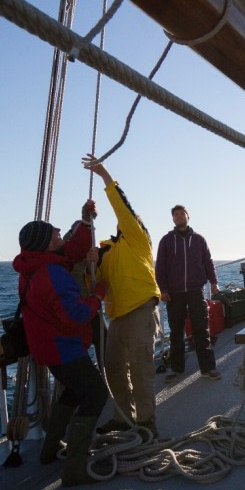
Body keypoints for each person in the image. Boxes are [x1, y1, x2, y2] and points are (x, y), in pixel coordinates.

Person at [13, 207, 109, 486]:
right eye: (54, 233)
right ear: (45, 243)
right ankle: (75, 468)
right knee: (95, 393)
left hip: (47, 348)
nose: (59, 233)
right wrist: (98, 295)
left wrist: (86, 220)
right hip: (62, 348)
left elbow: (75, 247)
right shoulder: (51, 275)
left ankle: (49, 448)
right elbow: (77, 315)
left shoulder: (35, 267)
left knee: (73, 391)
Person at [84, 155, 162, 439]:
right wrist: (90, 261)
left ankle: (147, 423)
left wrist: (104, 174)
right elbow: (94, 281)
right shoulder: (105, 250)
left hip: (141, 310)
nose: (128, 222)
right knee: (114, 368)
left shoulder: (139, 241)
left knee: (141, 370)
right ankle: (123, 417)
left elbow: (122, 209)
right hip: (116, 315)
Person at [158, 205, 221, 380]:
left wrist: (214, 282)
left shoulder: (199, 239)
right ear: (173, 219)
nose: (179, 216)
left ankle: (208, 368)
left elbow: (208, 261)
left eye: (182, 214)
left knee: (201, 329)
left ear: (188, 217)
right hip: (174, 293)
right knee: (176, 331)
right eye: (176, 215)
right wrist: (162, 289)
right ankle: (176, 369)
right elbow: (160, 267)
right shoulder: (166, 241)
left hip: (195, 290)